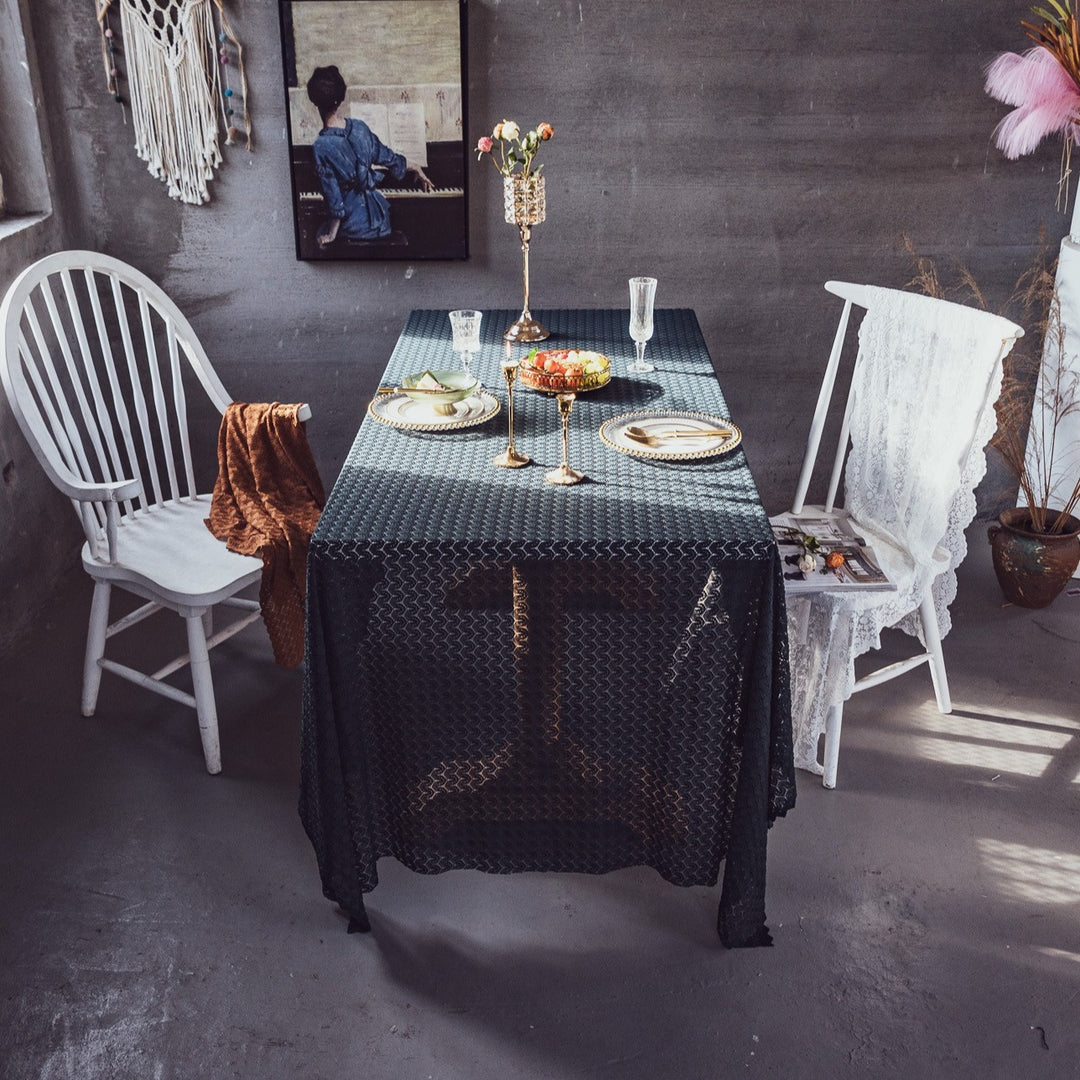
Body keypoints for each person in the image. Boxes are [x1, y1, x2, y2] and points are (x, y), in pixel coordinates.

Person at [305, 65, 434, 247]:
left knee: (317, 234)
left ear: (315, 102)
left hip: (352, 226)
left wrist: (331, 234)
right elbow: (389, 157)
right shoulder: (359, 128)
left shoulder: (320, 146)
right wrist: (416, 167)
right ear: (340, 98)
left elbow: (334, 198)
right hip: (380, 221)